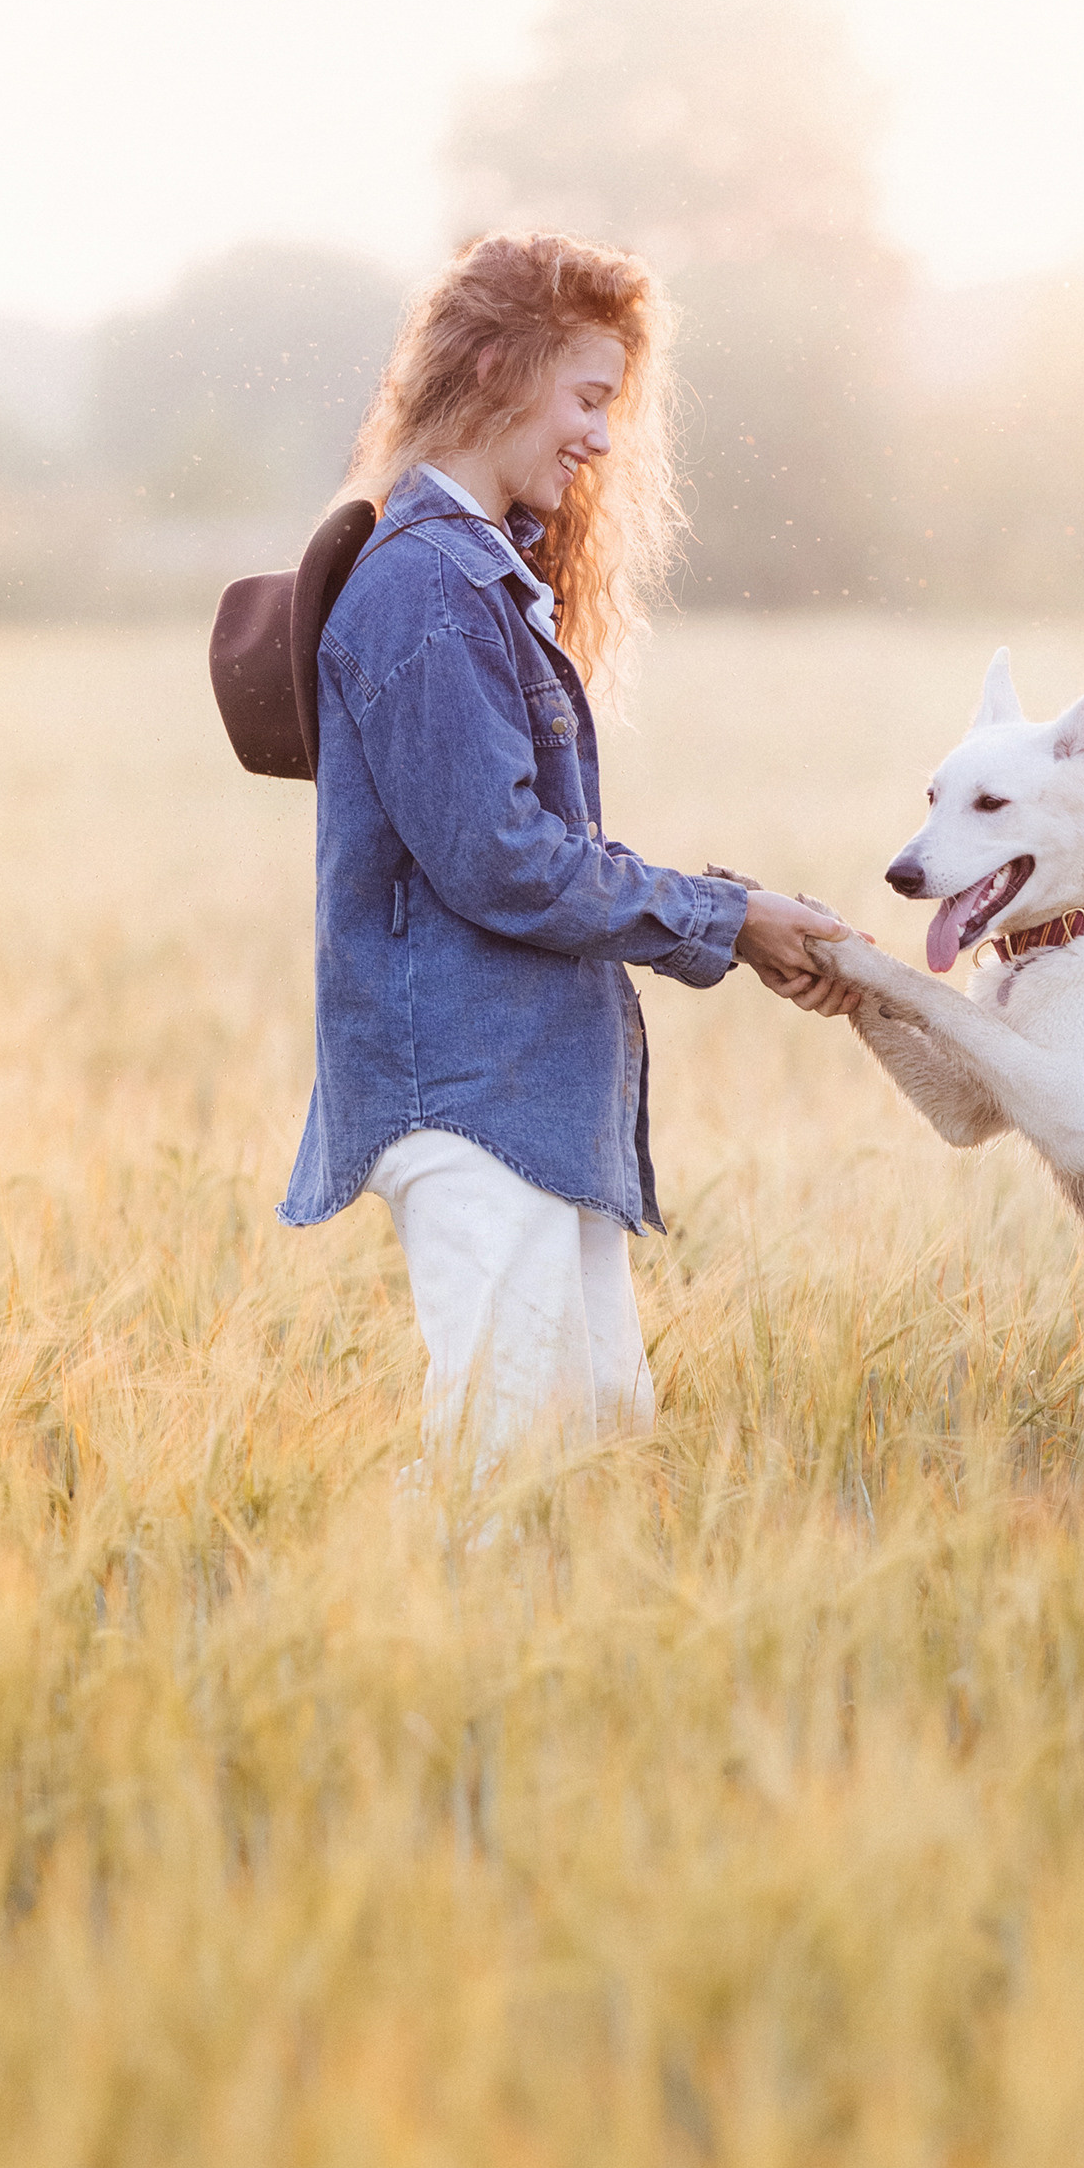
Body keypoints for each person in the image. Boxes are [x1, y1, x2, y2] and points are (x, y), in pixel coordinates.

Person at [277, 228, 858, 1459]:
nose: (603, 436)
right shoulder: (428, 588)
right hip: (470, 1094)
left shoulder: (478, 576)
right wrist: (731, 919)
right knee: (511, 1472)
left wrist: (731, 918)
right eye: (588, 397)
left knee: (587, 1446)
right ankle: (419, 1653)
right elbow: (501, 861)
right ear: (494, 366)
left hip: (521, 1092)